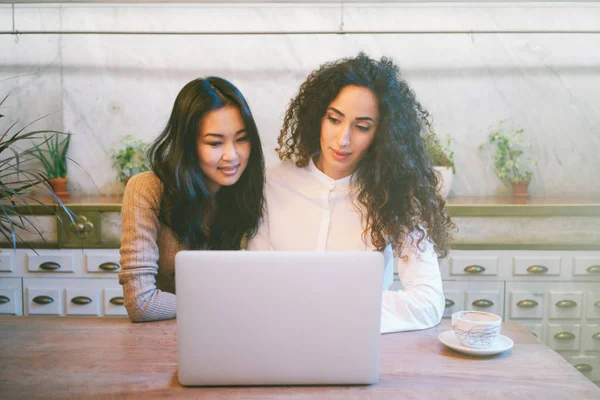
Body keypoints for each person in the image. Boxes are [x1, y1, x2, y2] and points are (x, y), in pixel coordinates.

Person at [248, 53, 455, 333]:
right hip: (277, 338)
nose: (343, 140)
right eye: (334, 120)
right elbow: (256, 282)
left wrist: (339, 311)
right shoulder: (272, 183)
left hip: (358, 344)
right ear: (317, 117)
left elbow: (428, 302)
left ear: (381, 135)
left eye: (361, 127)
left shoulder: (395, 195)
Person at [119, 77, 265, 322]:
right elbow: (141, 302)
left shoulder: (253, 191)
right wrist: (220, 306)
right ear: (188, 144)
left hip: (232, 338)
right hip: (159, 340)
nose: (232, 155)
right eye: (215, 143)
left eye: (241, 139)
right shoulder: (147, 189)